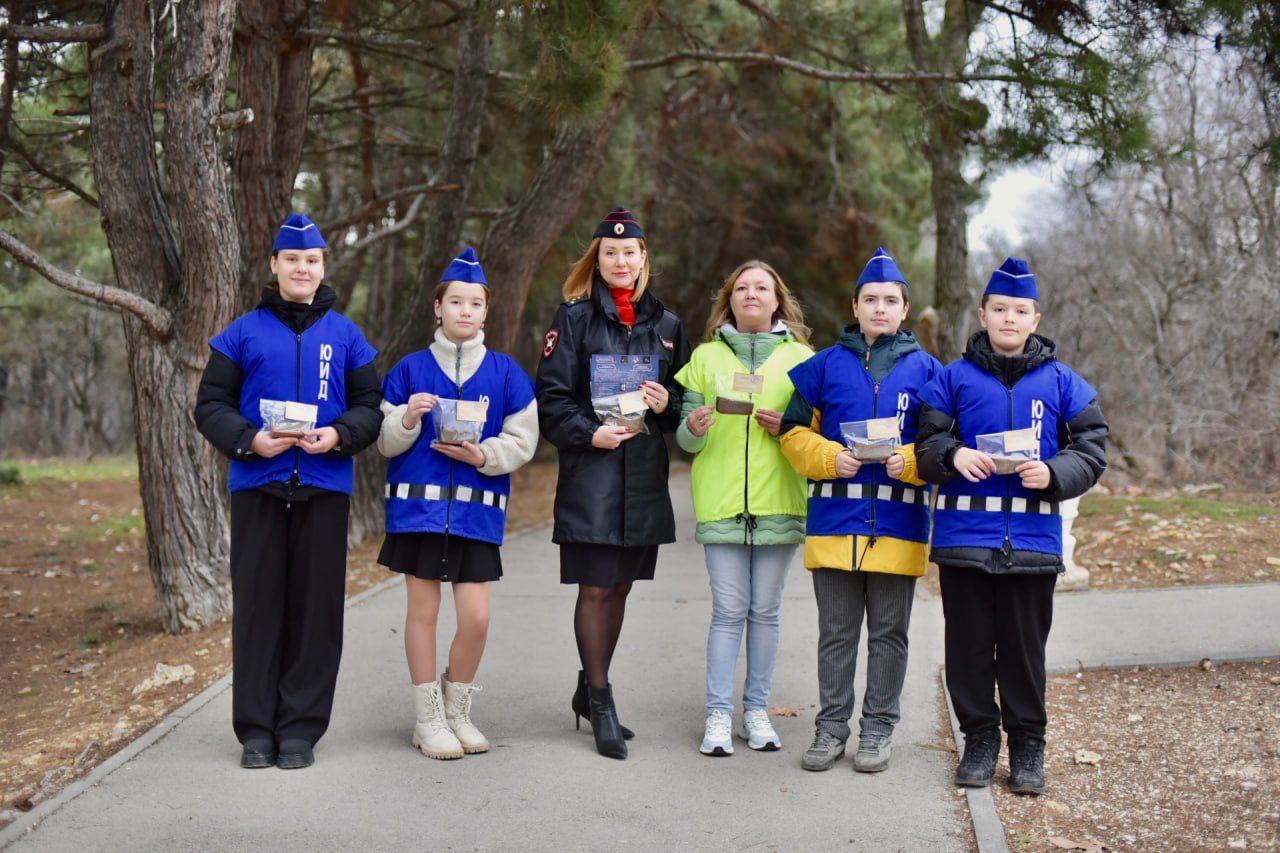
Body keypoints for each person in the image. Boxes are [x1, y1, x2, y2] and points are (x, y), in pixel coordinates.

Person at [195, 212, 382, 770]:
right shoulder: (241, 332)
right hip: (258, 485)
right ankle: (255, 731)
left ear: (323, 267)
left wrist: (339, 435)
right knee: (258, 610)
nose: (302, 268)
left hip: (324, 488)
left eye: (312, 260)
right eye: (292, 259)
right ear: (274, 265)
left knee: (316, 613)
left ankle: (300, 729)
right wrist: (250, 440)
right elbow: (210, 406)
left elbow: (369, 408)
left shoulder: (347, 335)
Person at [916, 257, 1108, 796]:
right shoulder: (952, 379)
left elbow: (1091, 450)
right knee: (969, 647)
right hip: (964, 543)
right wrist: (952, 456)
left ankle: (1028, 745)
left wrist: (1053, 471)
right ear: (982, 313)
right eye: (999, 309)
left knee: (1025, 651)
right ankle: (978, 739)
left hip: (1032, 545)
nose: (1008, 318)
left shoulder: (1064, 383)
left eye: (1019, 310)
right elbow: (924, 447)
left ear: (1035, 318)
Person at [535, 206, 691, 760]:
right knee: (596, 587)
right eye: (610, 253)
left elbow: (679, 411)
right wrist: (587, 434)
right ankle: (601, 700)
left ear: (643, 258)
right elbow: (551, 400)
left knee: (621, 587)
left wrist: (668, 401)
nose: (620, 260)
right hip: (593, 474)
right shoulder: (573, 319)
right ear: (597, 261)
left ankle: (587, 688)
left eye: (630, 252)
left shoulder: (668, 326)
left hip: (642, 479)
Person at [778, 247, 940, 773]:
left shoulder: (930, 372)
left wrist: (911, 460)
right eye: (870, 299)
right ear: (854, 305)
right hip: (835, 524)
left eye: (890, 300)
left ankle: (877, 730)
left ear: (905, 308)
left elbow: (943, 444)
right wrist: (829, 457)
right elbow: (791, 433)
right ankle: (829, 729)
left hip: (899, 524)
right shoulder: (821, 366)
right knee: (837, 634)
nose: (879, 308)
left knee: (890, 635)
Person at [376, 248, 538, 760]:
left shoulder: (508, 374)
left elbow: (523, 441)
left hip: (476, 512)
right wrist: (406, 421)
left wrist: (483, 453)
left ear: (486, 312)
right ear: (438, 308)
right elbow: (383, 442)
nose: (465, 311)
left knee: (476, 617)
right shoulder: (409, 370)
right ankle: (427, 719)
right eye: (456, 302)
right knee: (422, 611)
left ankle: (456, 707)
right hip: (417, 512)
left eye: (475, 303)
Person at [674, 261, 813, 757]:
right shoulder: (705, 358)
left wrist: (788, 429)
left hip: (780, 500)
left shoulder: (803, 359)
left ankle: (756, 710)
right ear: (729, 299)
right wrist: (694, 425)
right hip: (721, 502)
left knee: (766, 611)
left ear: (778, 300)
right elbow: (685, 441)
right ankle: (718, 714)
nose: (751, 294)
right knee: (729, 610)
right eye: (742, 287)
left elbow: (814, 435)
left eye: (762, 287)